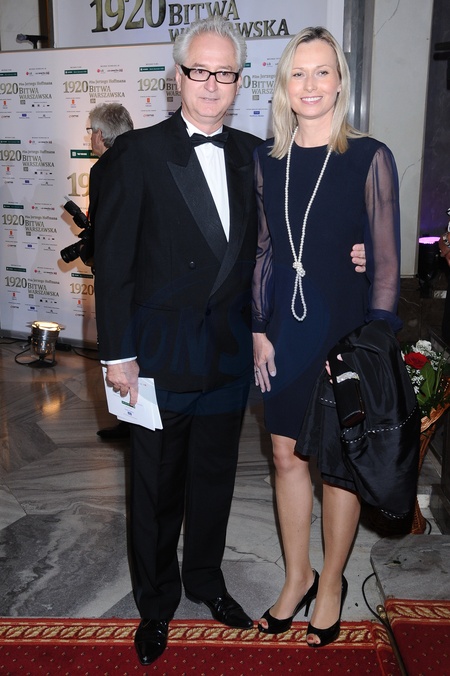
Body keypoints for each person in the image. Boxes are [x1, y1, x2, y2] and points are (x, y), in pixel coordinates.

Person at [93, 18, 366, 666]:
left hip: (228, 353)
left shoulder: (257, 154)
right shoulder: (136, 154)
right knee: (155, 488)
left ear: (240, 82)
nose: (211, 84)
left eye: (225, 73)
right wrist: (118, 355)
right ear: (178, 76)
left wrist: (357, 250)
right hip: (156, 357)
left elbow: (296, 231)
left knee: (214, 480)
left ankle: (206, 581)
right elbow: (113, 263)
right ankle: (156, 603)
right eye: (200, 71)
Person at [252, 26, 401, 648]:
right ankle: (298, 577)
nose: (310, 85)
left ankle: (332, 581)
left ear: (340, 82)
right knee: (286, 455)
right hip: (284, 332)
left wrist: (375, 345)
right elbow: (264, 252)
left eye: (322, 72)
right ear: (284, 85)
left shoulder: (369, 157)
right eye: (298, 73)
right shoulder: (267, 161)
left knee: (339, 464)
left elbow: (386, 265)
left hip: (344, 332)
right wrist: (258, 328)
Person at [85, 103, 135, 440]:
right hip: (146, 276)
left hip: (115, 274)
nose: (90, 137)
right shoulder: (143, 160)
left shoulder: (103, 169)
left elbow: (102, 228)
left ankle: (130, 423)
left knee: (118, 347)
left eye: (91, 131)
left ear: (101, 134)